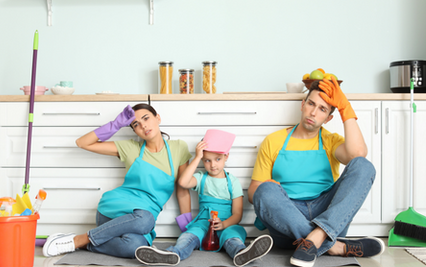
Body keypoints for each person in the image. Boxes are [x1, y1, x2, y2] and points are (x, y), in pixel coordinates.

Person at [247, 78, 385, 267]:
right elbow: (253, 192)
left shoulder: (330, 141)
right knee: (264, 190)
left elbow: (358, 154)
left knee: (363, 165)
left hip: (327, 213)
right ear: (303, 105)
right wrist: (269, 186)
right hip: (288, 220)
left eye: (322, 109)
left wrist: (345, 107)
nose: (313, 112)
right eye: (311, 104)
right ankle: (334, 246)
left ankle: (317, 237)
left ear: (329, 118)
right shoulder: (274, 141)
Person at [43, 103, 193, 258]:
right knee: (145, 219)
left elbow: (182, 191)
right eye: (136, 124)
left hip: (140, 219)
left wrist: (187, 228)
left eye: (146, 118)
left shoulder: (178, 148)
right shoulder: (130, 148)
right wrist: (116, 124)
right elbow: (82, 143)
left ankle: (84, 242)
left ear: (158, 118)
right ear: (134, 130)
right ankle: (78, 240)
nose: (143, 125)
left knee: (135, 247)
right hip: (114, 211)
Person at [135, 129, 273, 267]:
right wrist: (196, 157)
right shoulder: (201, 178)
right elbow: (183, 182)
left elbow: (237, 214)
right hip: (203, 223)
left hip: (226, 224)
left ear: (226, 156)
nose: (212, 165)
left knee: (233, 236)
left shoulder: (233, 182)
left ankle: (241, 253)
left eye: (217, 159)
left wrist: (224, 224)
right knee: (188, 237)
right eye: (207, 160)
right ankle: (173, 254)